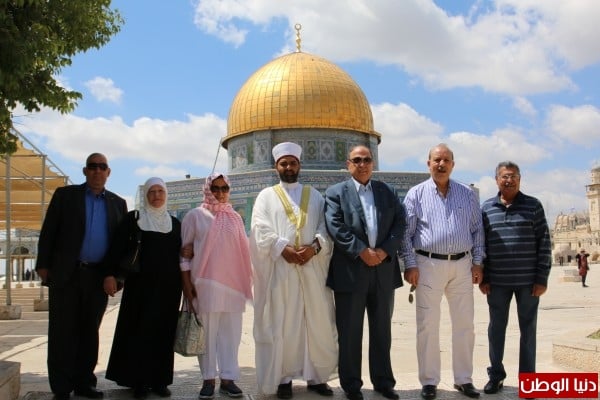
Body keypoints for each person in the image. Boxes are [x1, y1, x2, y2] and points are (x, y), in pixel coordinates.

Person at [35, 153, 127, 400]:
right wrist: (43, 264)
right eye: (92, 166)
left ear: (108, 172)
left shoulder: (117, 204)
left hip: (97, 277)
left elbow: (120, 245)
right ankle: (62, 386)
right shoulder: (66, 196)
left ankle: (84, 382)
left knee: (89, 332)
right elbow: (49, 230)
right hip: (67, 274)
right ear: (85, 171)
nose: (97, 171)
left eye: (102, 167)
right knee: (62, 332)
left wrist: (117, 276)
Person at [250, 142, 337, 399]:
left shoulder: (315, 195)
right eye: (284, 163)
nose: (289, 167)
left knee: (316, 322)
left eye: (293, 163)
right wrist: (282, 248)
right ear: (276, 166)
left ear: (300, 165)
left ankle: (316, 377)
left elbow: (324, 227)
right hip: (281, 270)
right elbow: (259, 228)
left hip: (312, 269)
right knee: (284, 323)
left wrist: (314, 248)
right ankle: (283, 378)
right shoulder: (266, 196)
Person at [402, 143, 484, 400]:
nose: (441, 164)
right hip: (428, 264)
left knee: (464, 324)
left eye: (446, 160)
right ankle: (429, 381)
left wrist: (478, 262)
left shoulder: (467, 194)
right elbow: (406, 233)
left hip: (462, 265)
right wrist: (410, 264)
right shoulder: (416, 194)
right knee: (428, 324)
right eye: (436, 160)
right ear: (428, 164)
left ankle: (464, 379)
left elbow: (477, 230)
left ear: (453, 165)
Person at [324, 145, 406, 400]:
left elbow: (399, 223)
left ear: (373, 163)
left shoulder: (387, 191)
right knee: (350, 332)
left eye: (367, 160)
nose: (362, 164)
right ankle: (351, 385)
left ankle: (383, 382)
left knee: (382, 330)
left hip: (383, 271)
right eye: (357, 160)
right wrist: (361, 251)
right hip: (351, 273)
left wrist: (384, 251)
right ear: (348, 164)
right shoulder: (336, 193)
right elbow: (335, 226)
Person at [102, 177, 182, 399]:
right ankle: (139, 380)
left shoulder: (174, 224)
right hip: (140, 287)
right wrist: (109, 274)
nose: (156, 196)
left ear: (166, 194)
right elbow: (117, 248)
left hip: (169, 288)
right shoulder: (134, 219)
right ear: (146, 195)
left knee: (164, 332)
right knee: (139, 331)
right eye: (152, 192)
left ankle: (160, 380)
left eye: (160, 191)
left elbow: (181, 255)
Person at [479, 161, 552, 395]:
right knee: (495, 330)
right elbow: (482, 245)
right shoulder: (486, 208)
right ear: (496, 180)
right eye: (504, 176)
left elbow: (544, 242)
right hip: (497, 283)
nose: (508, 180)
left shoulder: (533, 205)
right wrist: (484, 277)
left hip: (528, 283)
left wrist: (542, 278)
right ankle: (496, 376)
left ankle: (528, 381)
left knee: (528, 331)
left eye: (513, 176)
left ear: (520, 179)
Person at [180, 172, 253, 400]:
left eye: (224, 188)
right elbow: (184, 254)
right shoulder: (195, 216)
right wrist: (187, 285)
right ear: (207, 190)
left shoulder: (235, 217)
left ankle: (228, 378)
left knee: (231, 335)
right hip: (205, 284)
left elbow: (243, 250)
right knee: (208, 335)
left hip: (233, 285)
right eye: (215, 188)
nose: (220, 193)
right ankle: (209, 379)